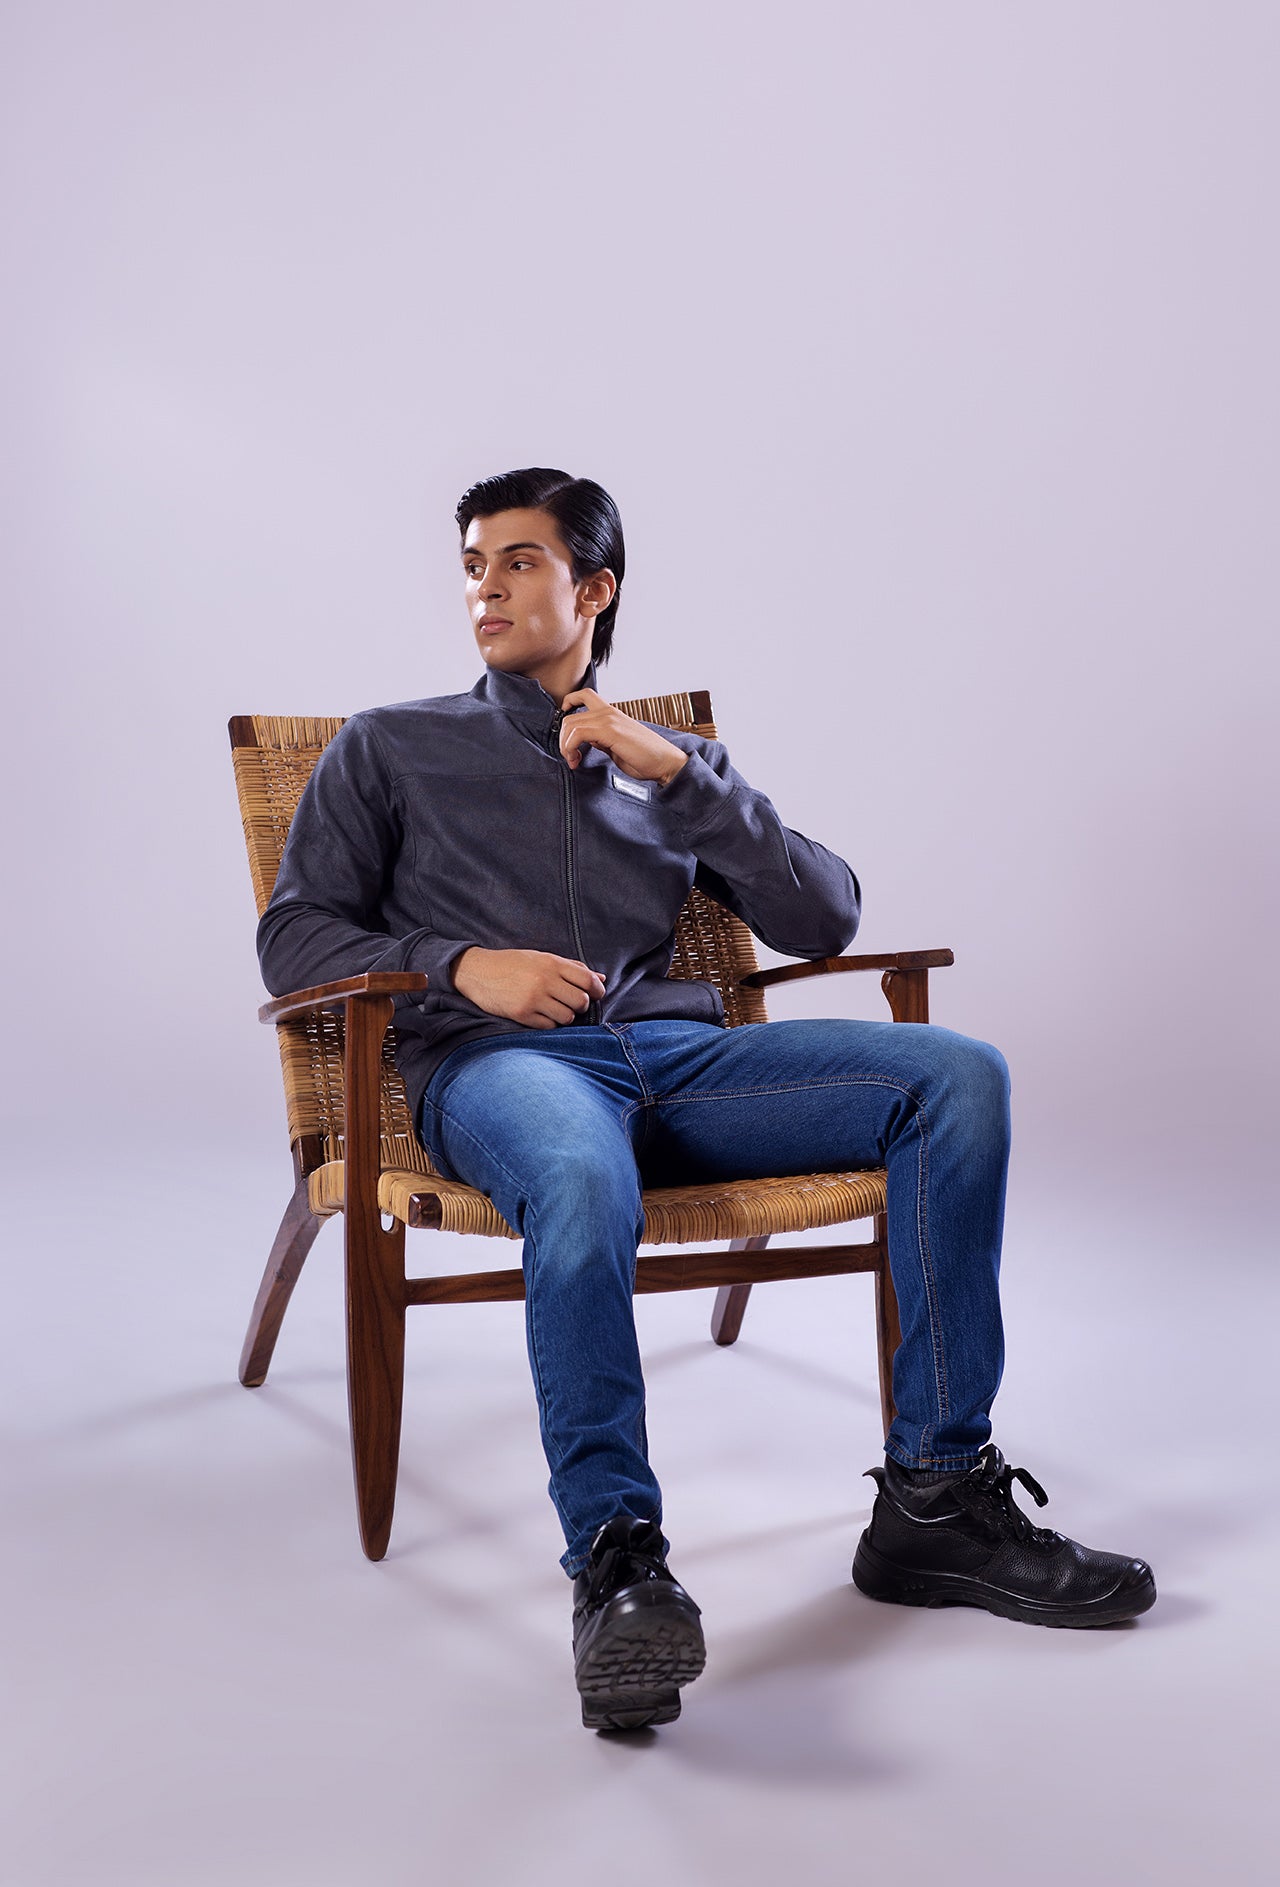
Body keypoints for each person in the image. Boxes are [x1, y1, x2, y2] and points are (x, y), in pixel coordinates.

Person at [257, 466, 1156, 1733]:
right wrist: (462, 965)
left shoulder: (673, 767)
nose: (484, 588)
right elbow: (294, 936)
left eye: (517, 561)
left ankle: (934, 1499)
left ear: (594, 588)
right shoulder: (391, 744)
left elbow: (823, 912)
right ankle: (617, 1564)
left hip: (678, 1063)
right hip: (503, 1069)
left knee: (957, 1075)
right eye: (471, 565)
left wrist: (678, 774)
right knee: (580, 1174)